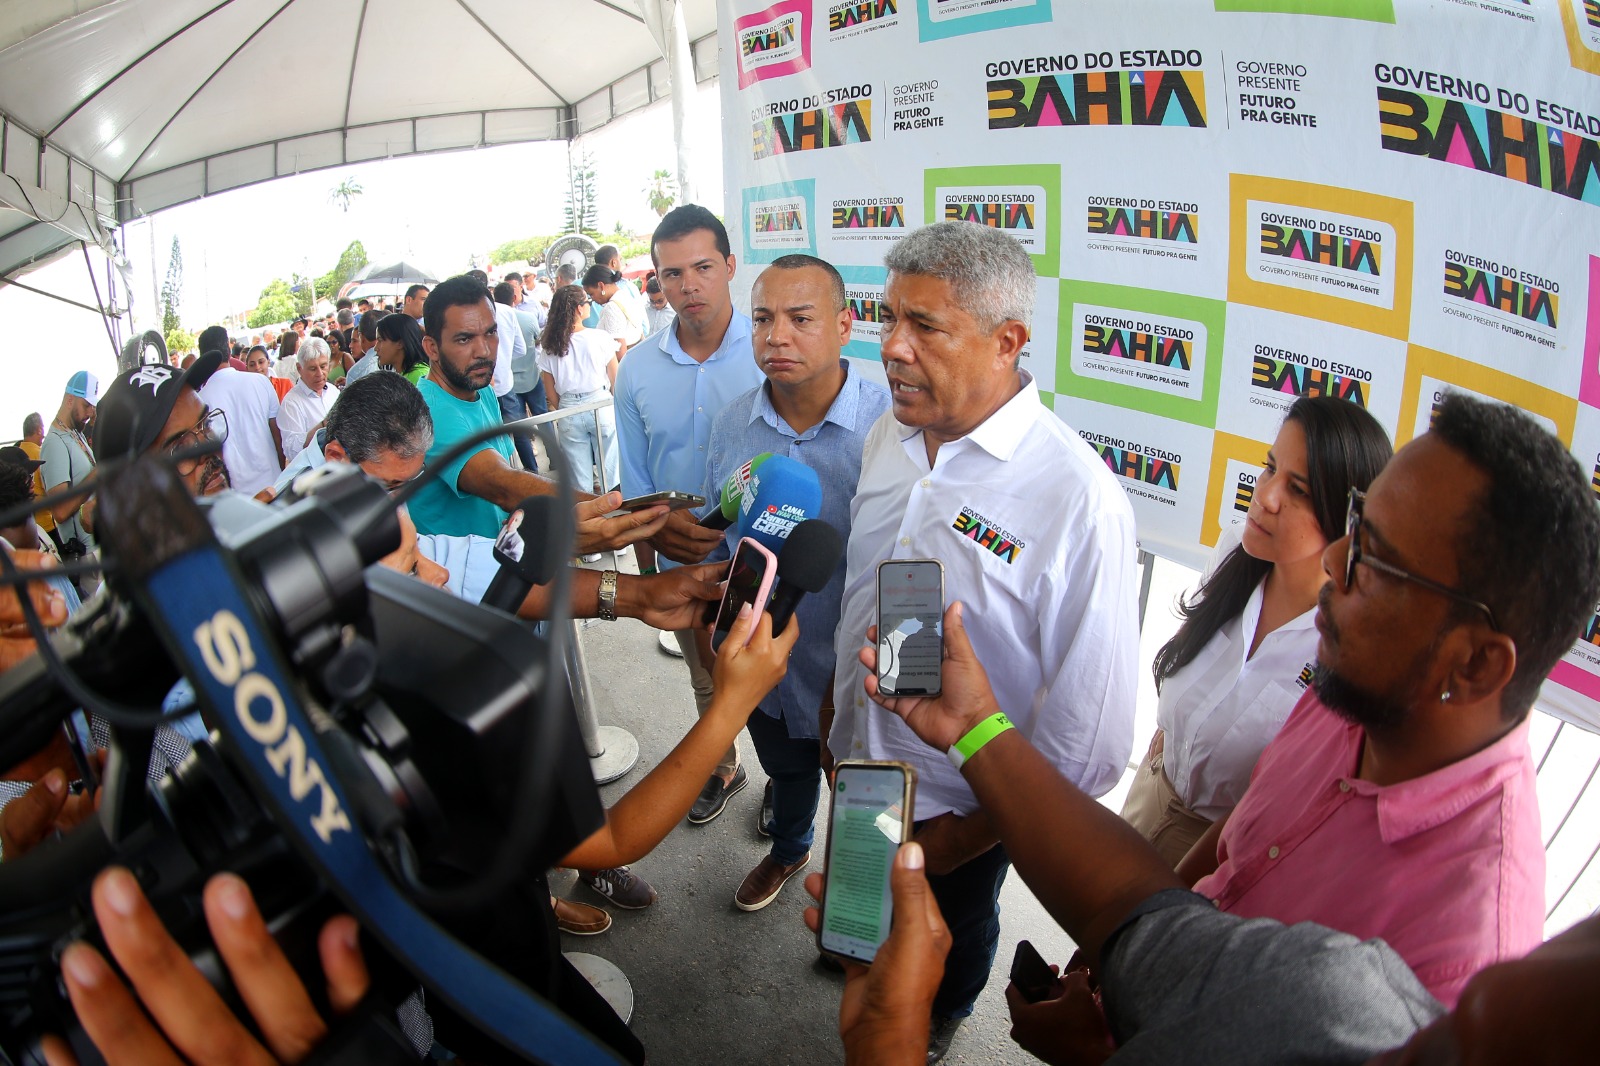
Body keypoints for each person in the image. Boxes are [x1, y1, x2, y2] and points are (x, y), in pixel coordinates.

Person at [1168, 391, 1598, 1007]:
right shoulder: (1356, 681)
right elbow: (1233, 843)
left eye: (1378, 558)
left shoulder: (1461, 959)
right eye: (1357, 523)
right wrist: (1134, 948)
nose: (1335, 561)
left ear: (1476, 663)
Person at [828, 221, 1140, 1062]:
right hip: (860, 766)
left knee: (952, 936)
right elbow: (866, 588)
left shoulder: (1078, 501)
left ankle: (941, 1020)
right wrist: (839, 716)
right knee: (861, 929)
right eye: (888, 317)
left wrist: (962, 838)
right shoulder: (892, 433)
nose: (892, 346)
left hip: (960, 812)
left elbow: (1088, 744)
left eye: (925, 326)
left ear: (1007, 342)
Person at [1121, 398, 1392, 866]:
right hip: (1149, 795)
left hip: (1227, 860)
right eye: (1269, 468)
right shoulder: (1233, 552)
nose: (1264, 496)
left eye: (1298, 489)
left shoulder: (1349, 649)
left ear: (1347, 519)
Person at [701, 254, 891, 911]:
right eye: (762, 319)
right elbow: (723, 534)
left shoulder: (896, 428)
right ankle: (789, 848)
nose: (776, 336)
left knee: (868, 808)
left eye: (800, 319)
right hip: (765, 669)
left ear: (845, 325)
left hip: (861, 675)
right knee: (786, 772)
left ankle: (855, 908)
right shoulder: (732, 424)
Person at [615, 205, 765, 823]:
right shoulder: (636, 368)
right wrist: (648, 567)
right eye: (672, 273)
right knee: (706, 675)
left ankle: (789, 785)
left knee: (782, 673)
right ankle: (723, 764)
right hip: (681, 555)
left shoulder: (770, 350)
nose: (688, 285)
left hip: (766, 549)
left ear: (729, 266)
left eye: (702, 267)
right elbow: (637, 478)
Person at [406, 274, 667, 556]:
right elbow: (501, 483)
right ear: (432, 348)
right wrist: (618, 513)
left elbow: (508, 477)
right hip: (458, 571)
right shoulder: (428, 411)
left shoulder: (481, 391)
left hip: (498, 555)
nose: (483, 350)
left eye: (491, 333)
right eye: (464, 339)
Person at [537, 285, 620, 495]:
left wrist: (565, 406)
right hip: (600, 403)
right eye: (587, 302)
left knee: (579, 476)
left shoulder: (550, 345)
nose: (589, 305)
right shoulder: (600, 337)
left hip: (568, 408)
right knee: (610, 470)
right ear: (578, 308)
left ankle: (587, 510)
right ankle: (615, 507)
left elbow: (550, 390)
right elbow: (615, 378)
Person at [198, 334, 286, 498]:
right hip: (273, 485)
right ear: (229, 349)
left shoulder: (200, 401)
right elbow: (278, 434)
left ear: (202, 357)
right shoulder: (260, 382)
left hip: (239, 498)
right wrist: (282, 473)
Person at [40, 370, 99, 580]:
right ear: (70, 400)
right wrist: (96, 475)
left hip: (98, 544)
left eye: (93, 406)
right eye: (86, 405)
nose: (91, 412)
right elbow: (60, 510)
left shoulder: (74, 433)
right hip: (86, 555)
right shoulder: (54, 443)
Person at [495, 280, 548, 473]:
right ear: (514, 298)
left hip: (501, 384)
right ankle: (545, 464)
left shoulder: (487, 314)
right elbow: (523, 348)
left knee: (512, 431)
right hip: (517, 380)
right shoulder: (519, 316)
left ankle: (529, 470)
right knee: (540, 420)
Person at [275, 337, 337, 463]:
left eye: (323, 366)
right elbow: (292, 451)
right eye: (313, 369)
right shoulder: (291, 404)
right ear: (299, 369)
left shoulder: (333, 391)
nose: (320, 373)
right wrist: (324, 425)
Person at [15, 411, 60, 553]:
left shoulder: (18, 453)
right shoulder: (41, 455)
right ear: (39, 429)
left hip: (28, 526)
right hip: (47, 526)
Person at [583, 264, 644, 359]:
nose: (592, 299)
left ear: (601, 286)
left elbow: (619, 351)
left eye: (591, 294)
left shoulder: (611, 308)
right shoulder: (625, 296)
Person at [373, 310, 429, 384]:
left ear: (400, 343)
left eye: (380, 340)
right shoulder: (401, 375)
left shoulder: (420, 376)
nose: (375, 348)